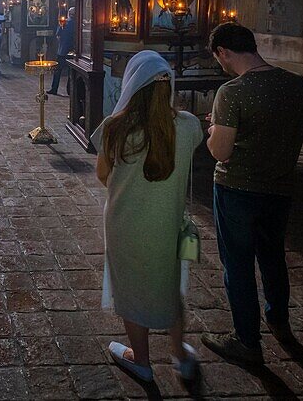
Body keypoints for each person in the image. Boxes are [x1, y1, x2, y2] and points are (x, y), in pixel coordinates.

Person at [202, 23, 303, 366]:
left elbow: (221, 151)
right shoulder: (297, 84)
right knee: (272, 256)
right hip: (280, 188)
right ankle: (278, 320)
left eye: (218, 58)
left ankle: (247, 341)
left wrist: (212, 130)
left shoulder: (232, 92)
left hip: (237, 189)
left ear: (223, 52)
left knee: (237, 264)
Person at [92, 50, 202, 384]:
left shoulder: (115, 128)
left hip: (125, 223)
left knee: (129, 287)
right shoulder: (188, 126)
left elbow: (102, 175)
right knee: (169, 284)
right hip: (167, 222)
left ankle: (141, 360)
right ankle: (180, 356)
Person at [49, 7, 75, 96]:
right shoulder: (78, 23)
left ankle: (54, 89)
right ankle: (70, 91)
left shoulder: (64, 23)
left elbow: (58, 36)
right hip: (73, 51)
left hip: (62, 51)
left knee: (57, 71)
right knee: (71, 73)